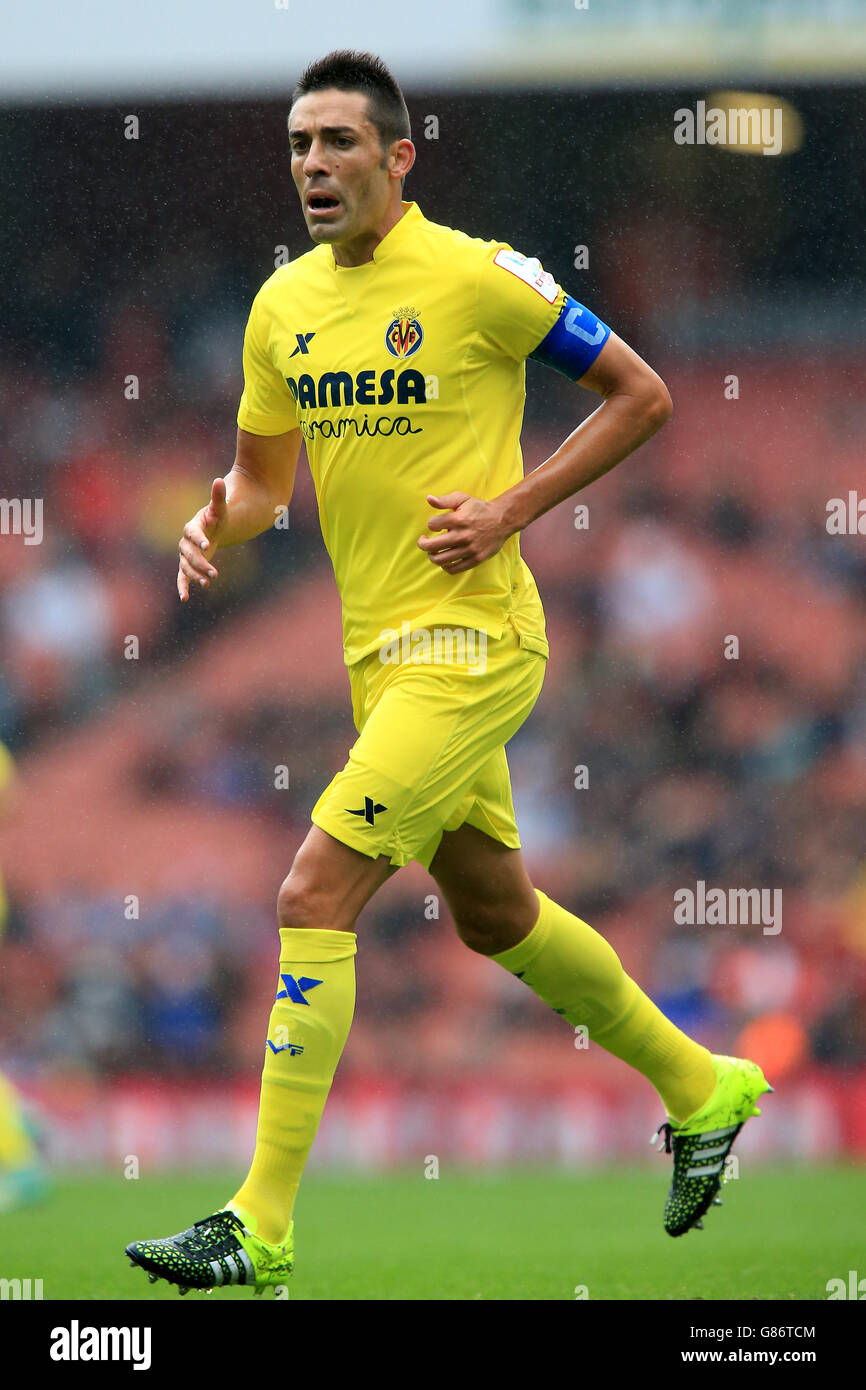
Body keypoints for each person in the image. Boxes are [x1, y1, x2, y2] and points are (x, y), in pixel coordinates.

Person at [126, 49, 771, 1296]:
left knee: (312, 892)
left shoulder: (477, 276)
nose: (313, 165)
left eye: (339, 144)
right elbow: (264, 485)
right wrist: (218, 516)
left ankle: (256, 1223)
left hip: (474, 643)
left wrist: (511, 509)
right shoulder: (282, 308)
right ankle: (704, 1087)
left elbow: (643, 394)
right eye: (300, 145)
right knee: (493, 913)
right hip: (379, 658)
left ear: (397, 156)